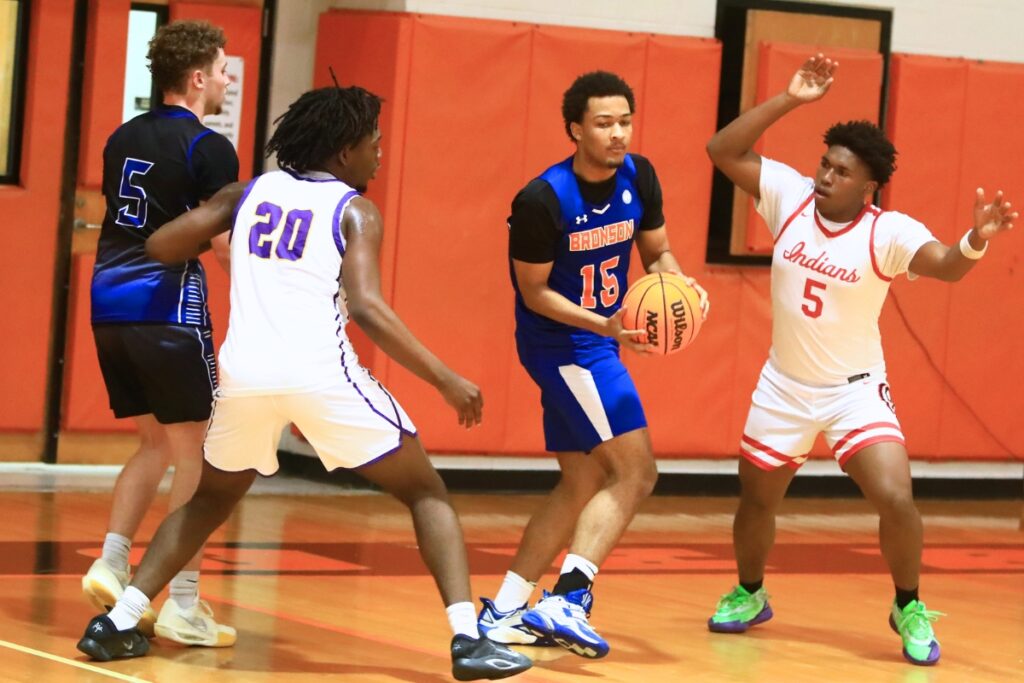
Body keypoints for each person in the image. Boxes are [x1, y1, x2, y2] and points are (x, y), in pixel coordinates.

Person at [75, 84, 533, 681]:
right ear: (344, 152)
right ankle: (469, 640)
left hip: (244, 378)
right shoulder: (355, 210)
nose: (379, 155)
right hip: (321, 375)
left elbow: (161, 244)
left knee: (207, 500)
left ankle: (116, 623)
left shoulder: (247, 193)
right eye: (374, 144)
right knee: (426, 494)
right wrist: (446, 379)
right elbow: (367, 308)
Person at [704, 53, 1016, 666]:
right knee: (756, 502)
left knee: (896, 496)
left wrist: (976, 239)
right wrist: (791, 98)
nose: (824, 175)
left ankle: (908, 603)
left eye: (840, 171)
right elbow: (722, 149)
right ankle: (749, 592)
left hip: (853, 389)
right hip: (785, 385)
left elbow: (948, 266)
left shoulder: (888, 232)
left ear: (867, 185)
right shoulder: (789, 197)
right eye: (824, 163)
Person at [478, 71, 708, 659]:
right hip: (563, 346)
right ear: (575, 129)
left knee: (581, 480)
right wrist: (603, 323)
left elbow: (655, 250)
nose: (618, 133)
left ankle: (505, 606)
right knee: (637, 472)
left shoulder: (640, 175)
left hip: (598, 342)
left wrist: (677, 283)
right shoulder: (543, 198)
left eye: (625, 121)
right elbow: (533, 293)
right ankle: (568, 597)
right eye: (604, 123)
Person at [83, 19, 237, 647]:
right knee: (198, 453)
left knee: (153, 443)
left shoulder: (122, 136)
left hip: (107, 306)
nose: (227, 80)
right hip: (167, 306)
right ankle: (184, 601)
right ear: (198, 77)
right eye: (223, 70)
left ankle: (112, 563)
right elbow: (224, 242)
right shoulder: (209, 148)